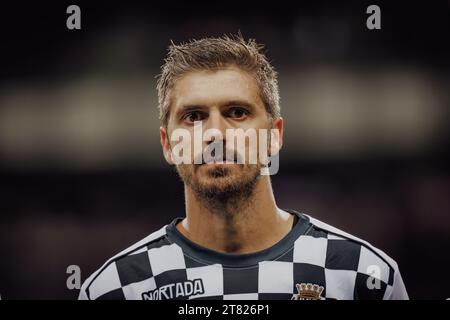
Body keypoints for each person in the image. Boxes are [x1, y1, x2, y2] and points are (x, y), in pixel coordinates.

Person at [78, 34, 408, 300]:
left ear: (273, 137)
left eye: (237, 113)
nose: (216, 134)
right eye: (193, 117)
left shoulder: (364, 277)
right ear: (167, 144)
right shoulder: (117, 289)